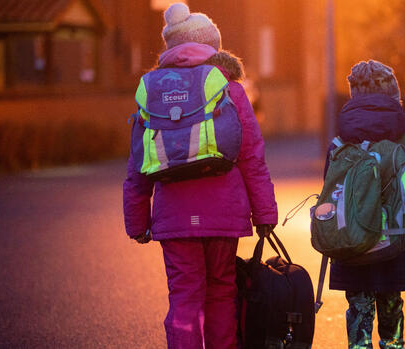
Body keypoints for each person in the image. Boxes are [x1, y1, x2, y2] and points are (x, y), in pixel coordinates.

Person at [122, 3, 278, 348]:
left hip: (174, 216)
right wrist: (265, 213)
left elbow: (137, 163)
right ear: (213, 46)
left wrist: (137, 221)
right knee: (222, 291)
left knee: (184, 295)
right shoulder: (229, 89)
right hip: (223, 214)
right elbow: (252, 157)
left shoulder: (153, 92)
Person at [323, 60, 405, 349]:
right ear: (394, 95)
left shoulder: (340, 142)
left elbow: (329, 184)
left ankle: (359, 344)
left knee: (359, 306)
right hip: (395, 242)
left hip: (351, 242)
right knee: (391, 302)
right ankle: (392, 343)